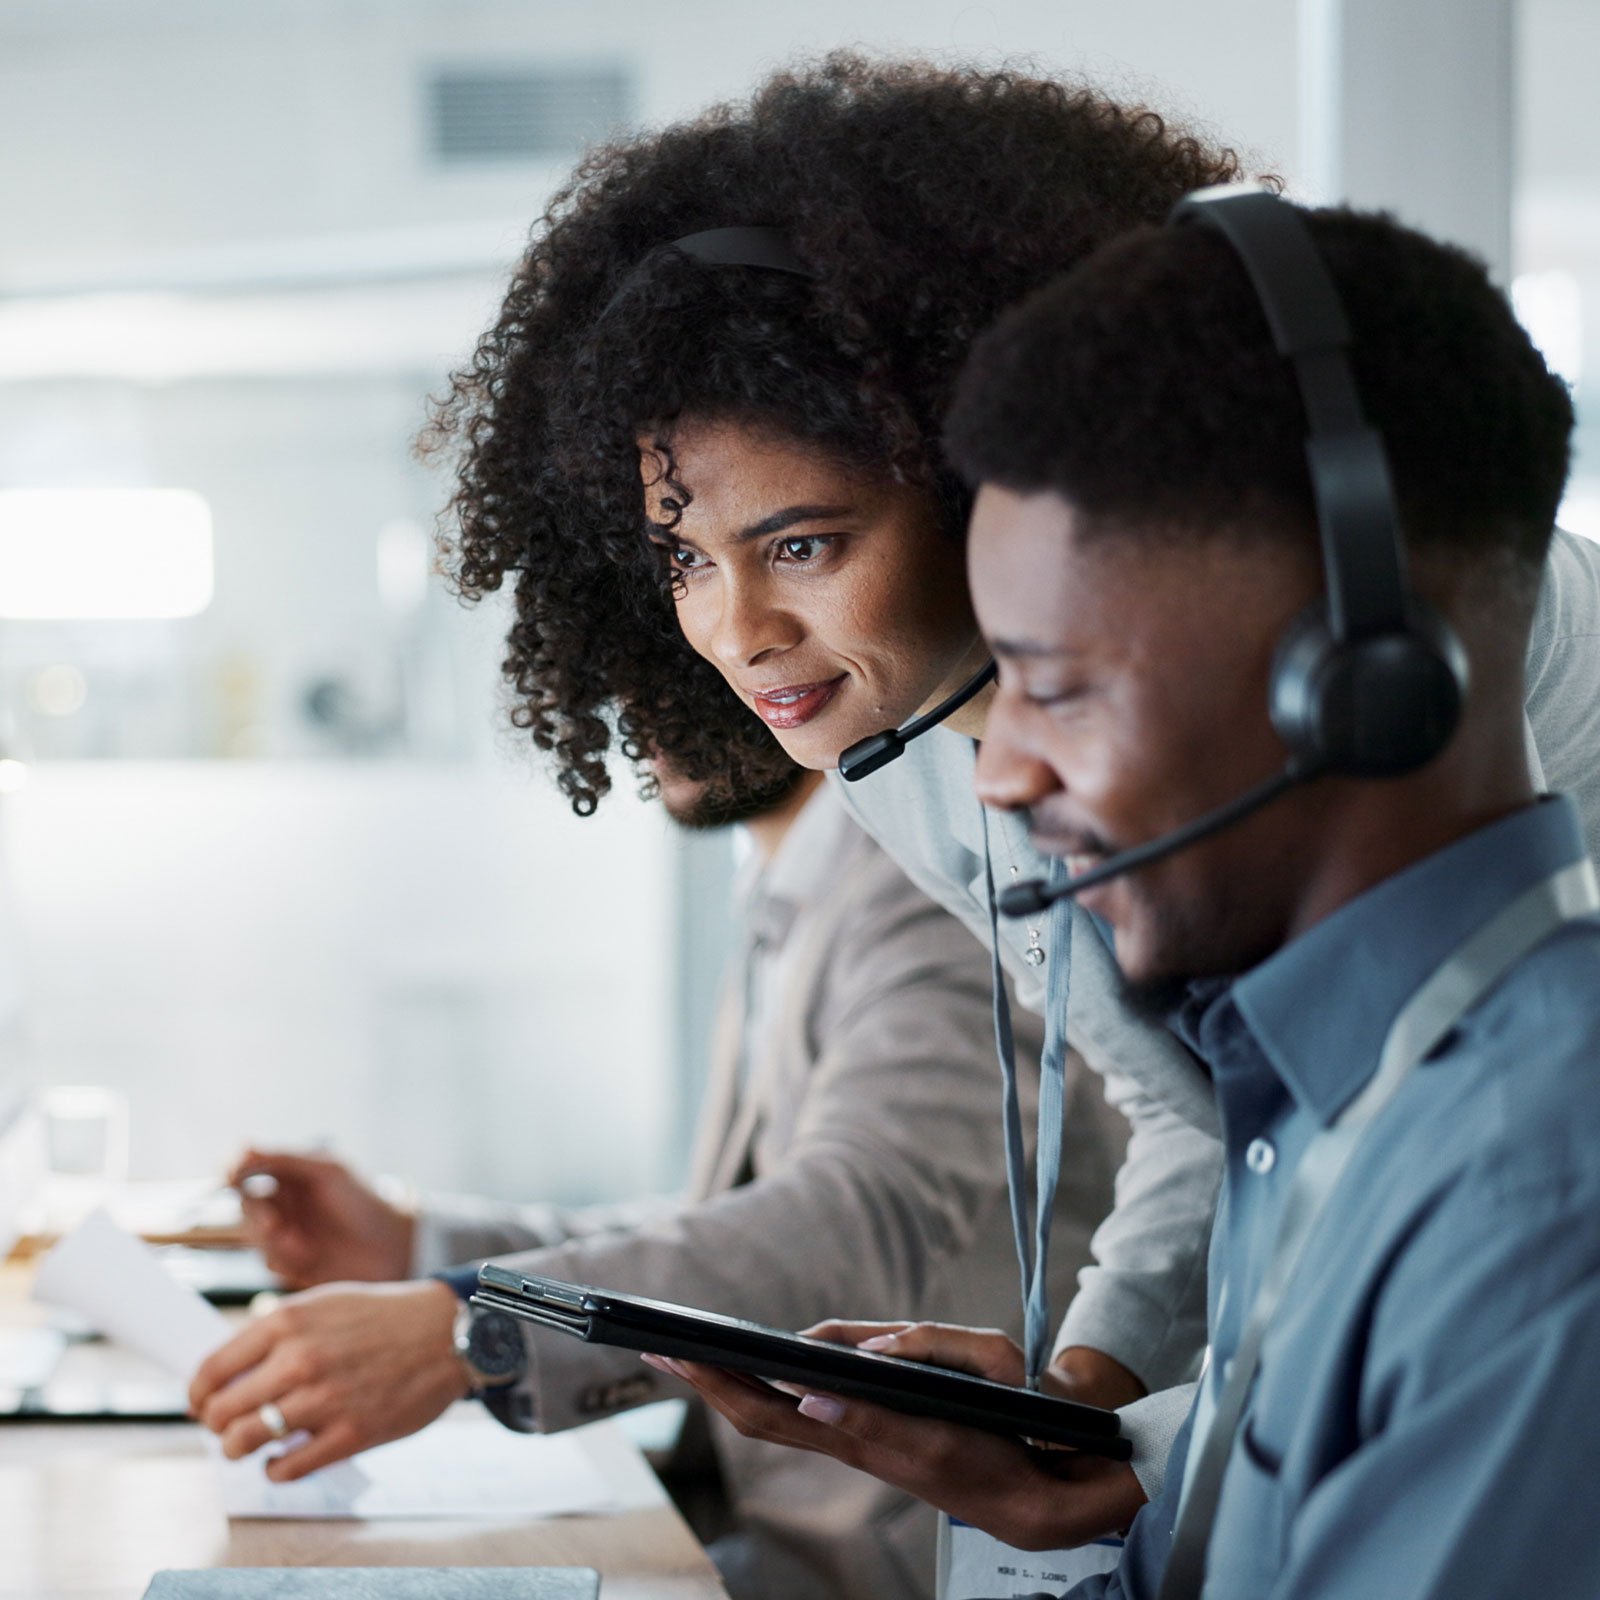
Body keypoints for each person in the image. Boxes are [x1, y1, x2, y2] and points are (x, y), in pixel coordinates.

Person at [427, 50, 1600, 1540]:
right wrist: (1082, 1413)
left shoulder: (1407, 663)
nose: (734, 632)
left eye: (800, 545)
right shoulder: (897, 751)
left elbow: (1439, 1211)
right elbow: (1209, 1116)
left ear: (974, 475)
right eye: (682, 563)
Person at [665, 199, 1600, 1595]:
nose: (999, 777)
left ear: (1353, 676)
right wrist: (1099, 1444)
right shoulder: (1299, 1111)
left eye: (1058, 683)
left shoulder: (1527, 1191)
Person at [190, 756, 1121, 1600]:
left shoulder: (926, 884)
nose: (648, 690)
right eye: (676, 573)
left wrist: (475, 1328)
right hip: (761, 1527)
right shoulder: (791, 877)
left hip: (905, 1555)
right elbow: (724, 1225)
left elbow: (855, 1215)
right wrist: (424, 1245)